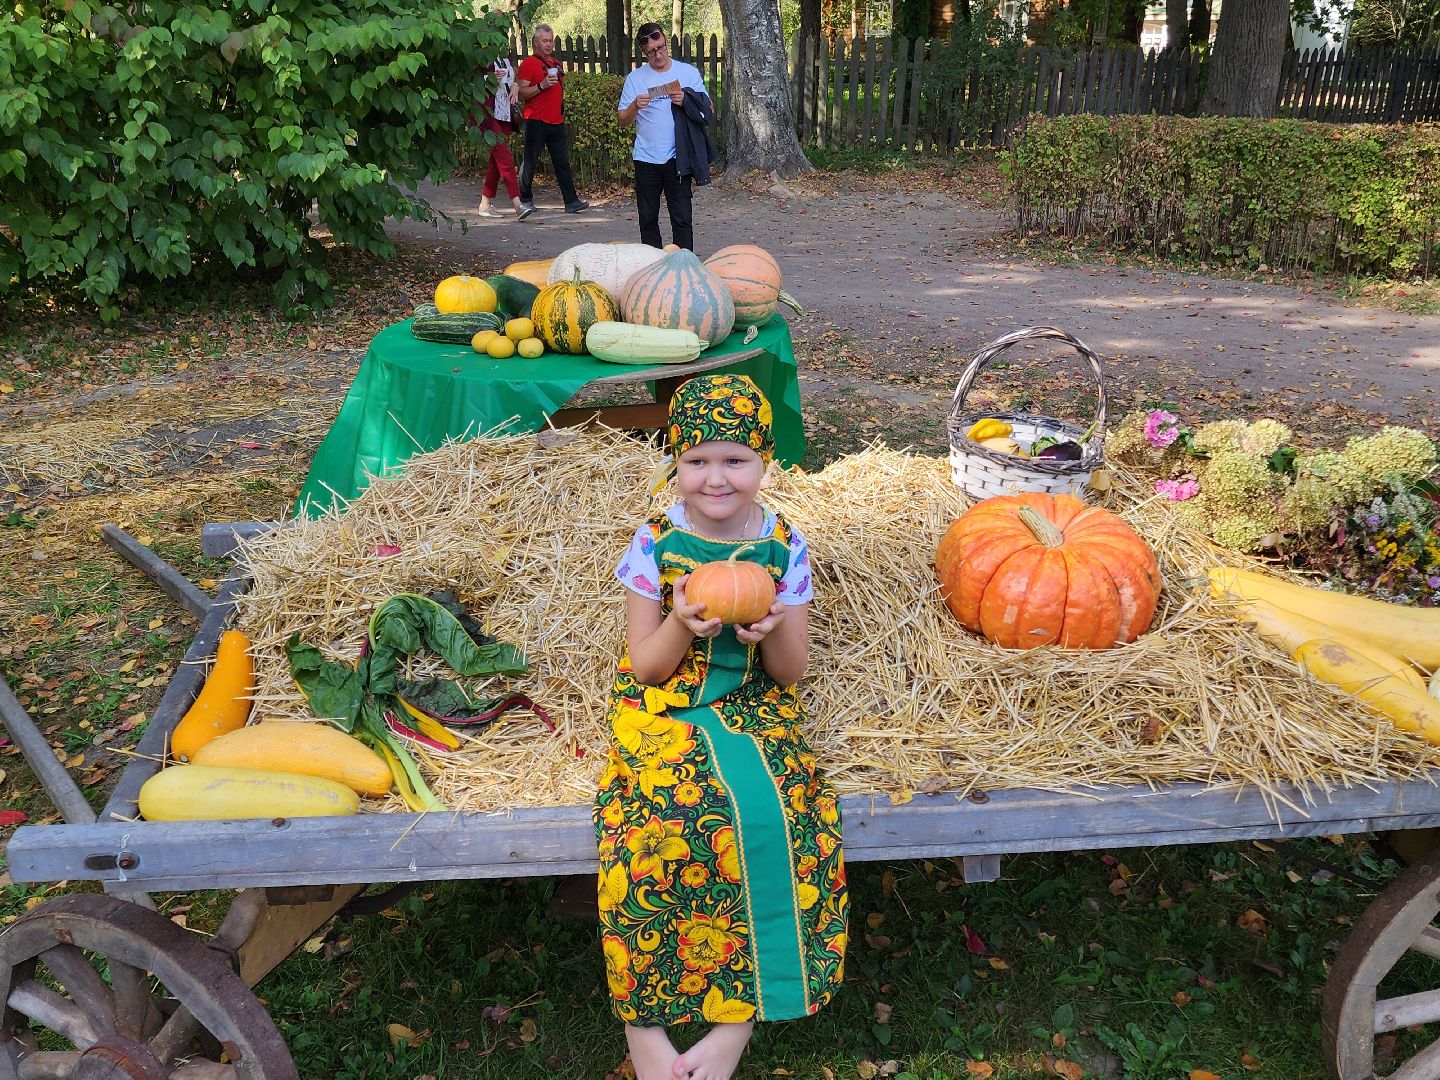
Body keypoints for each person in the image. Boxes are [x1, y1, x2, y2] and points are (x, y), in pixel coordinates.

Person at [595, 374, 848, 1080]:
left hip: (751, 705)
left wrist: (769, 631)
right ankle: (642, 1022)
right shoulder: (654, 544)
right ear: (673, 461)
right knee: (656, 816)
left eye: (734, 460)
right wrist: (679, 621)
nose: (714, 478)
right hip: (665, 707)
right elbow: (645, 667)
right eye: (696, 459)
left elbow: (791, 672)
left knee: (781, 810)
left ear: (765, 462)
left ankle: (736, 1017)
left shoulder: (783, 546)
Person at [617, 24, 714, 251]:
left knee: (681, 218)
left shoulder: (687, 72)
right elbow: (622, 119)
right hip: (646, 158)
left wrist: (686, 100)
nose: (658, 55)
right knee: (648, 218)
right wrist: (634, 106)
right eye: (652, 52)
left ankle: (684, 266)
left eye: (661, 48)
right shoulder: (636, 78)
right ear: (643, 52)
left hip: (678, 158)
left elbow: (708, 108)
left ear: (666, 42)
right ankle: (653, 268)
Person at [516, 24, 588, 217]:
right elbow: (521, 93)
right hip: (536, 120)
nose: (548, 44)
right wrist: (541, 85)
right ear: (535, 42)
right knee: (530, 162)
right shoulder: (528, 64)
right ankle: (525, 199)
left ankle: (571, 202)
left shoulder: (556, 63)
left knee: (562, 163)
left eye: (550, 40)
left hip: (556, 120)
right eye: (544, 41)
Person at [476, 55, 530, 220]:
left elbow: (510, 78)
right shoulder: (480, 52)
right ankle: (517, 203)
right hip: (487, 113)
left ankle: (485, 203)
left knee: (497, 159)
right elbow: (471, 81)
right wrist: (489, 78)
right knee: (504, 157)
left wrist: (514, 86)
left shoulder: (504, 56)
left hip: (504, 111)